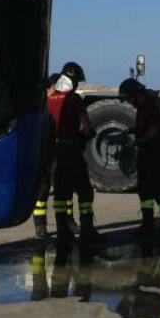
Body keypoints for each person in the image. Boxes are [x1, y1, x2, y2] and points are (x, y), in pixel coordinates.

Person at [48, 61, 104, 242]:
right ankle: (87, 230)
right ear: (72, 81)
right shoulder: (74, 99)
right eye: (77, 81)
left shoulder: (49, 100)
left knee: (60, 193)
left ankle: (63, 231)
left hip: (53, 153)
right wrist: (86, 136)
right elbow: (86, 127)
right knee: (85, 191)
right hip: (70, 150)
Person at [119, 78, 160, 239]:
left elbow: (154, 132)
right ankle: (147, 224)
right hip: (146, 154)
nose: (129, 102)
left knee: (159, 191)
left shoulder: (149, 107)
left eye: (128, 98)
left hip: (154, 154)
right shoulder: (143, 107)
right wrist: (130, 131)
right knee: (144, 190)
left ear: (134, 94)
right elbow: (143, 127)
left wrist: (135, 142)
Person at [32, 72, 61, 239]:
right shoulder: (42, 108)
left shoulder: (46, 107)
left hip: (51, 154)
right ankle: (41, 227)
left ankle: (51, 226)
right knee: (43, 193)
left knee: (54, 191)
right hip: (45, 156)